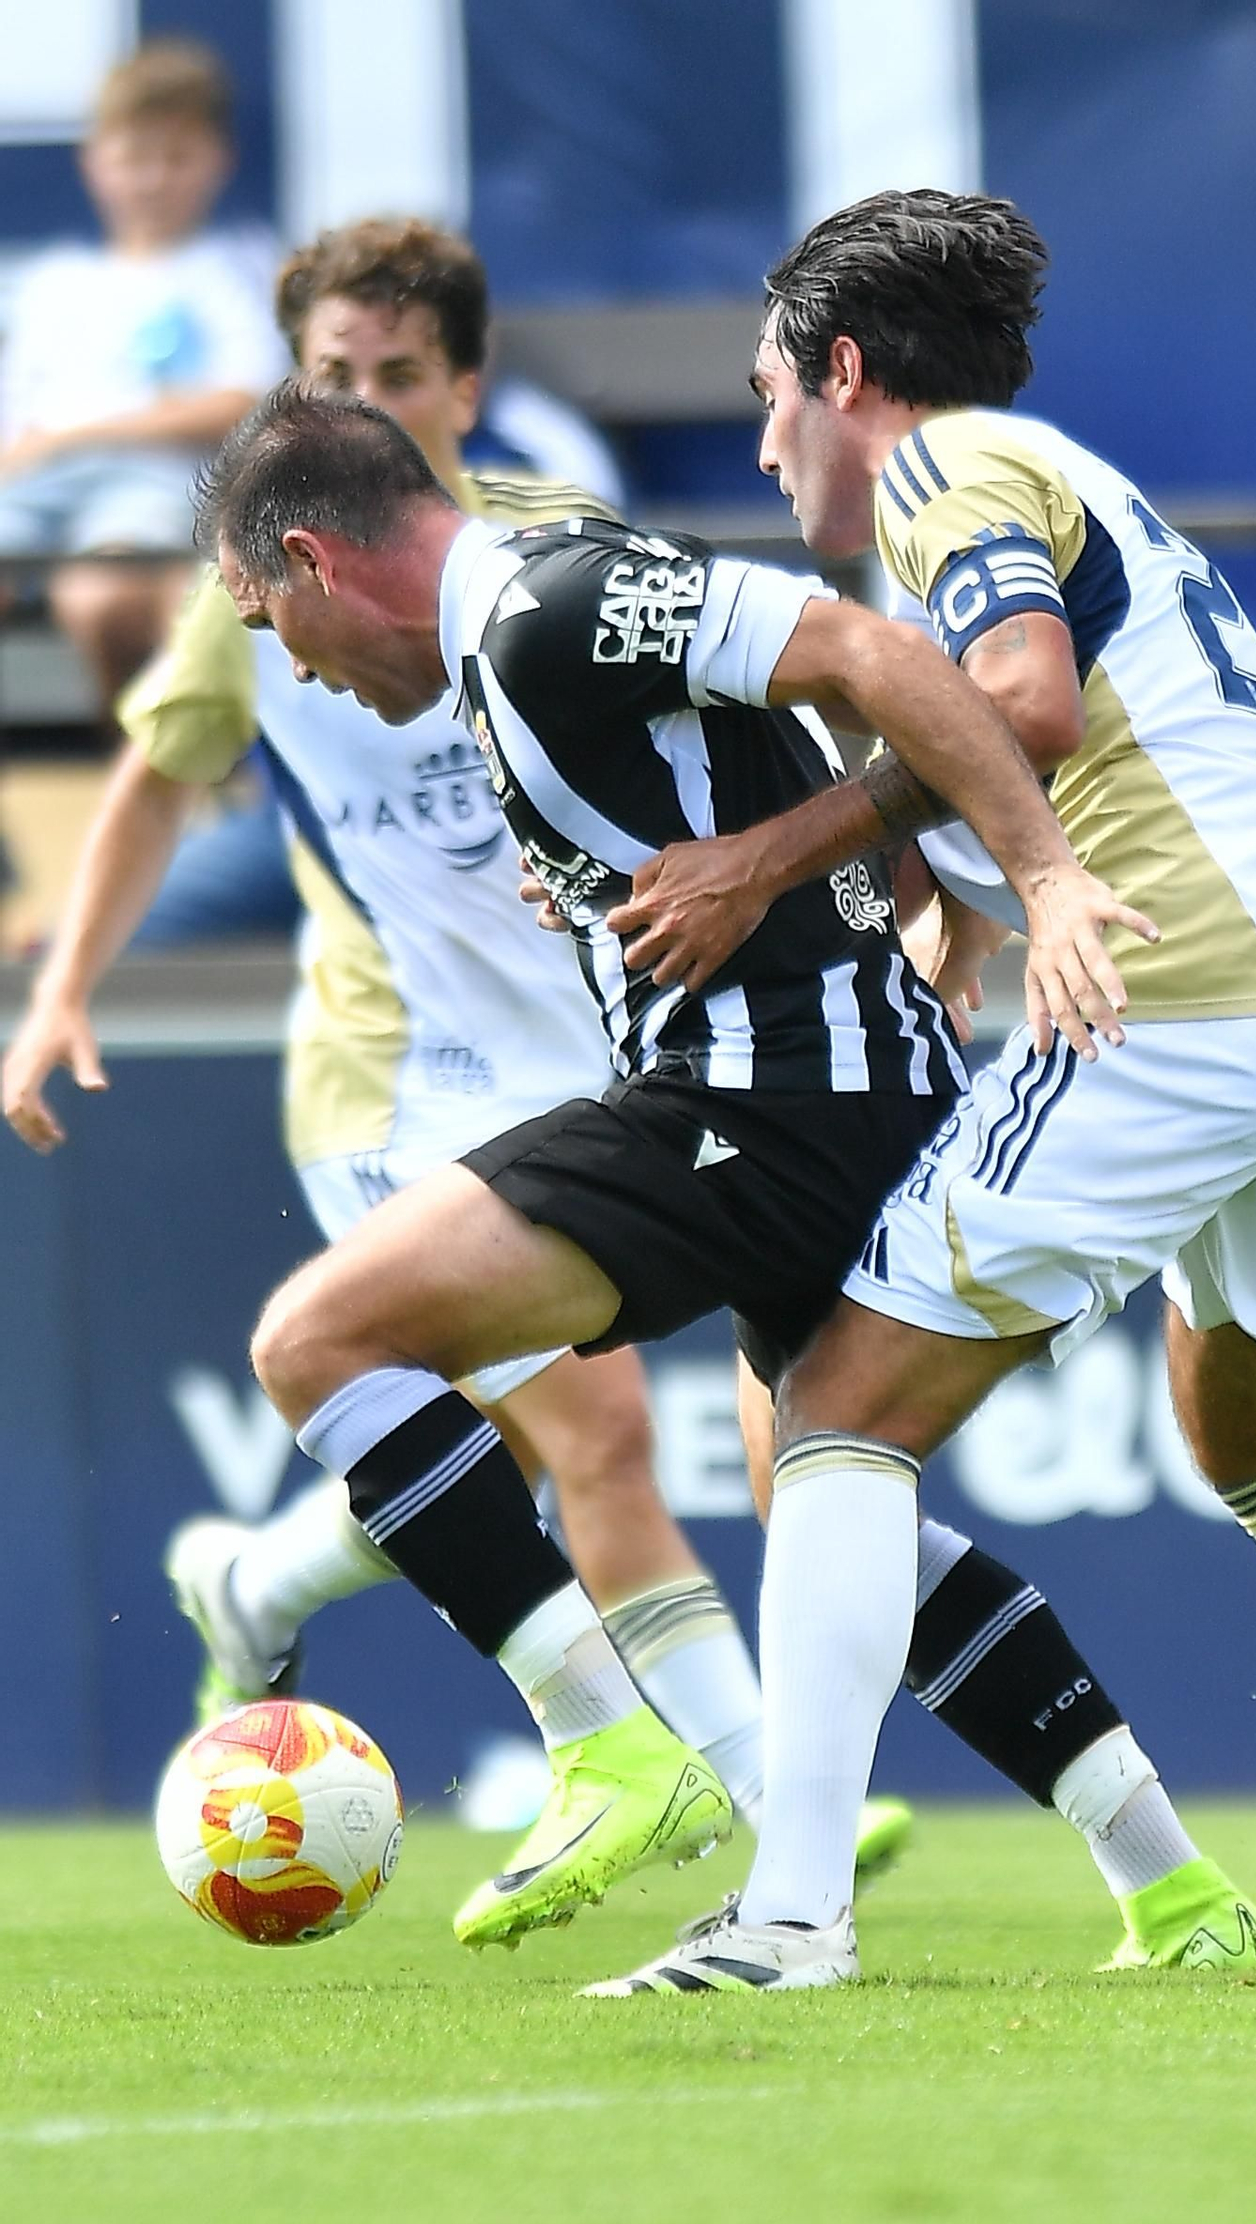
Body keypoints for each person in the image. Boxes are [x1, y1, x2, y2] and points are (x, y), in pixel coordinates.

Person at [585, 189, 1256, 1995]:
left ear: (846, 370)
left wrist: (760, 860)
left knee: (834, 1410)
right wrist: (940, 910)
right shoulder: (1061, 474)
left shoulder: (949, 470)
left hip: (1179, 995)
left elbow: (1022, 703)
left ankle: (792, 1912)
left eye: (769, 392)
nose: (765, 436)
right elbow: (1048, 741)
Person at [190, 379, 1256, 1969]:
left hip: (769, 1097)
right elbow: (783, 728)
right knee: (841, 1510)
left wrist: (1021, 879)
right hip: (815, 1087)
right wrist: (700, 865)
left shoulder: (546, 600)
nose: (290, 665)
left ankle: (608, 1740)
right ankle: (1176, 1891)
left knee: (320, 1340)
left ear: (310, 557)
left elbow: (877, 655)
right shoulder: (529, 640)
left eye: (265, 619)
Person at [0, 217, 791, 1887]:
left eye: (398, 374)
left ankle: (262, 1587)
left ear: (466, 385)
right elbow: (155, 778)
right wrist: (66, 979)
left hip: (587, 1059)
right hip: (388, 1075)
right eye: (333, 374)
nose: (368, 396)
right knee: (599, 1437)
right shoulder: (256, 582)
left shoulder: (560, 550)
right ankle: (748, 1790)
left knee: (510, 1444)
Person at [0, 40, 281, 711]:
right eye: (134, 157)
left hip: (161, 484)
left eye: (176, 157)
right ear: (95, 163)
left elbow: (243, 400)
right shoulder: (51, 284)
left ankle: (145, 768)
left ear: (219, 162)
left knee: (104, 596)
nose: (153, 179)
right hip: (35, 484)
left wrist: (76, 436)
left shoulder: (236, 271)